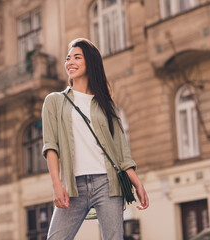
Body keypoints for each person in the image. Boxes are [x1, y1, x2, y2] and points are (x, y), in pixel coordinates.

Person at [42, 38, 149, 240]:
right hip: (73, 187)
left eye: (77, 57)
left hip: (108, 184)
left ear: (90, 63)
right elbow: (51, 147)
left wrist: (137, 183)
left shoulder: (106, 103)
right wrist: (57, 185)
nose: (70, 62)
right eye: (68, 58)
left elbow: (121, 149)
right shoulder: (54, 101)